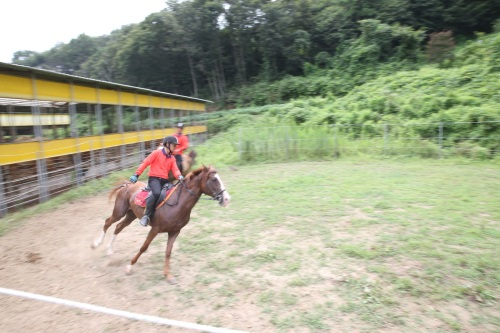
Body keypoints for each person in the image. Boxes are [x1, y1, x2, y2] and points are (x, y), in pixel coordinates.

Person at [129, 136, 184, 227]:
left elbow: (175, 170)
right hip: (154, 179)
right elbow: (145, 163)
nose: (175, 147)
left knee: (173, 191)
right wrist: (136, 174)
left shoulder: (172, 158)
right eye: (174, 145)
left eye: (176, 145)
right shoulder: (156, 153)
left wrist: (179, 176)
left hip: (164, 180)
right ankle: (146, 216)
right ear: (167, 144)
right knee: (157, 193)